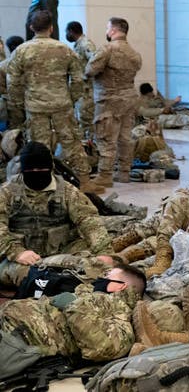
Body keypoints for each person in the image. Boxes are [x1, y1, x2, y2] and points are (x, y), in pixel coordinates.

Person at [7, 10, 103, 193]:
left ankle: (44, 183)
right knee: (72, 142)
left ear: (31, 27)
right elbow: (78, 79)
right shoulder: (65, 50)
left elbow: (13, 81)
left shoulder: (22, 50)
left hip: (35, 106)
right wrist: (71, 98)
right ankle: (84, 181)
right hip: (62, 105)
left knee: (39, 144)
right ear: (51, 28)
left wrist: (19, 103)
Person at [0, 142, 111, 287]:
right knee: (28, 276)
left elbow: (90, 222)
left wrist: (104, 253)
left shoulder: (67, 191)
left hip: (64, 250)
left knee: (96, 267)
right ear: (23, 170)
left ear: (50, 168)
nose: (36, 172)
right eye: (31, 169)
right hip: (22, 257)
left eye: (41, 169)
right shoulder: (7, 192)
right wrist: (17, 252)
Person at [0, 262, 144, 362]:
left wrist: (73, 305)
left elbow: (107, 347)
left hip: (19, 340)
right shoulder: (90, 295)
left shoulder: (119, 310)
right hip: (12, 326)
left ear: (119, 286)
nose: (101, 278)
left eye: (107, 275)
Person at [85, 17, 142, 186]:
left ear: (113, 31)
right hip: (129, 99)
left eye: (107, 28)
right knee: (125, 137)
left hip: (108, 100)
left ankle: (105, 175)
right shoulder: (134, 54)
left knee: (106, 137)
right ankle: (124, 172)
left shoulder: (107, 49)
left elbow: (89, 70)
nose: (106, 31)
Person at [65, 21, 97, 137]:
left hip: (86, 91)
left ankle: (92, 150)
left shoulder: (85, 44)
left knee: (88, 122)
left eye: (66, 32)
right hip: (80, 92)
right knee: (82, 122)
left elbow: (95, 62)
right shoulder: (78, 44)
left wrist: (85, 76)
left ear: (71, 31)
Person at [0, 36, 26, 128]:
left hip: (12, 105)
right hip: (31, 101)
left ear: (8, 47)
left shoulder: (3, 66)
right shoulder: (30, 64)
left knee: (15, 131)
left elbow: (1, 88)